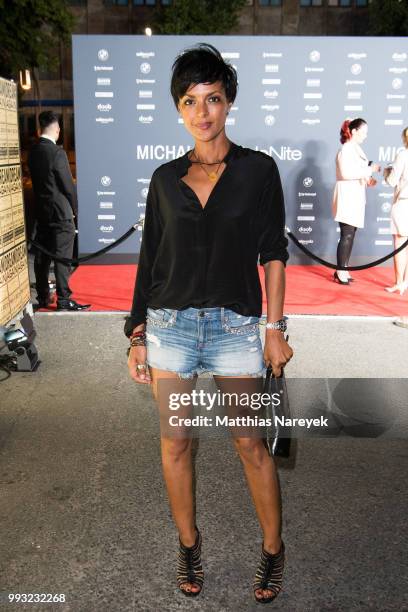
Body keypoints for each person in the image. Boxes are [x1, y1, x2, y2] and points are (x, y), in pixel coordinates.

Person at [125, 43, 293, 604]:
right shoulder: (164, 180)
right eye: (191, 101)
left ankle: (272, 549)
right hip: (170, 330)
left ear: (229, 103)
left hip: (235, 330)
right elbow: (151, 259)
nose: (203, 111)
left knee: (249, 441)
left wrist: (275, 328)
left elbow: (272, 253)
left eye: (213, 98)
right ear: (179, 109)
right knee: (177, 443)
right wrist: (138, 333)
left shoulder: (258, 171)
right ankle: (189, 544)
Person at [28, 111, 90, 311]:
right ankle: (64, 298)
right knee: (63, 257)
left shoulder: (33, 152)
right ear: (57, 130)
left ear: (40, 130)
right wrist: (75, 210)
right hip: (61, 213)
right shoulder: (57, 153)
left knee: (42, 257)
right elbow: (67, 186)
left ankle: (44, 297)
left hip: (42, 213)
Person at [332, 118, 381, 284]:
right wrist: (369, 169)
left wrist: (368, 179)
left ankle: (343, 268)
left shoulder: (357, 150)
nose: (365, 136)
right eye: (363, 132)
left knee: (351, 234)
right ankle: (340, 271)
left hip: (355, 196)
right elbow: (346, 173)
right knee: (346, 234)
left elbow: (358, 171)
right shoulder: (346, 149)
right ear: (353, 131)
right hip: (347, 196)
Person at [383, 126, 408, 296]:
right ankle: (405, 282)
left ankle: (399, 283)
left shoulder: (403, 155)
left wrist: (386, 172)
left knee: (400, 244)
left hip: (403, 203)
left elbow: (392, 181)